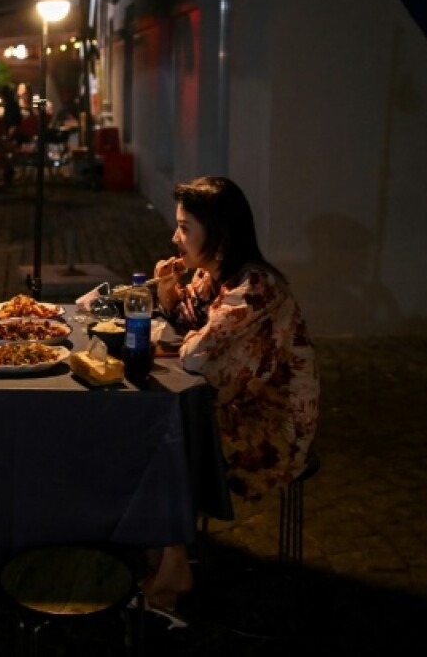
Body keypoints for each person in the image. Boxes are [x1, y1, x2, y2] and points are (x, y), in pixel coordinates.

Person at [140, 175, 320, 621]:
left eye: (185, 228)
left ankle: (172, 564)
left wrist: (188, 334)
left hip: (271, 426)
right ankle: (163, 548)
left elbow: (196, 356)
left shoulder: (256, 288)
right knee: (156, 426)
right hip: (230, 406)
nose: (174, 237)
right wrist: (168, 293)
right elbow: (186, 319)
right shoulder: (212, 274)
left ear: (218, 234)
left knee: (165, 437)